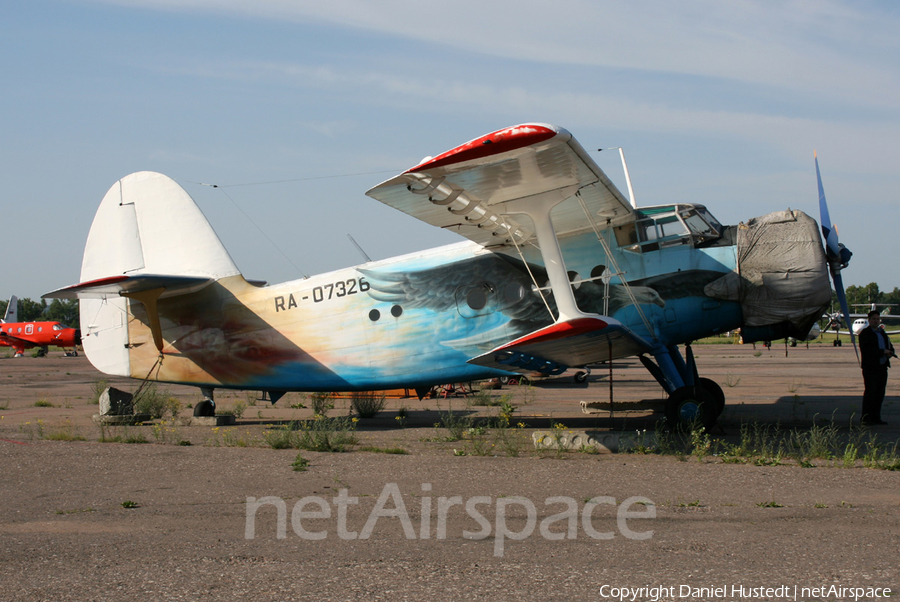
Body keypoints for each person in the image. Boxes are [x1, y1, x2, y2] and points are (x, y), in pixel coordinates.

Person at [859, 311, 895, 425]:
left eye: (877, 319)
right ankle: (866, 418)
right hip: (871, 367)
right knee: (871, 392)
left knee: (880, 393)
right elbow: (867, 350)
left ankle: (876, 417)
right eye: (874, 319)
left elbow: (890, 345)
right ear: (869, 320)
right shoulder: (865, 333)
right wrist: (882, 352)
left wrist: (890, 352)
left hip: (882, 366)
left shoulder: (882, 333)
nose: (876, 321)